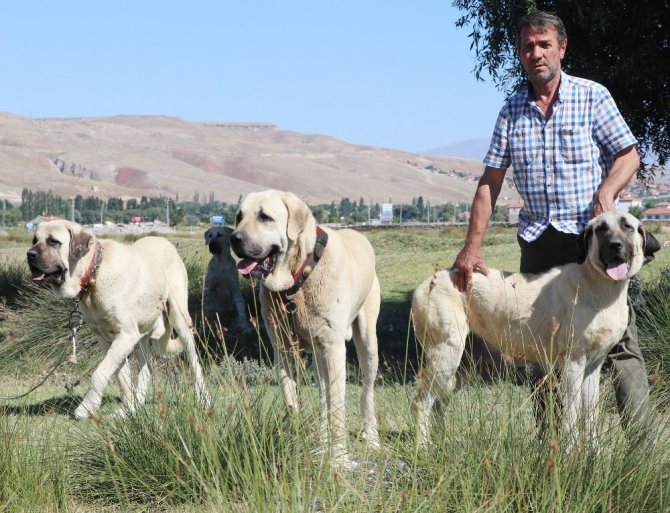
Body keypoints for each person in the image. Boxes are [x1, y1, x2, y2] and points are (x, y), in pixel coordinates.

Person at [452, 11, 651, 435]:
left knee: (618, 343)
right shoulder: (511, 111)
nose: (536, 53)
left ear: (562, 48)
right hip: (539, 245)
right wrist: (472, 247)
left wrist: (605, 195)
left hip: (593, 243)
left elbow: (629, 154)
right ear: (521, 54)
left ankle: (643, 447)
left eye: (544, 44)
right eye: (528, 46)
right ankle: (552, 446)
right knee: (542, 345)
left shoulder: (592, 96)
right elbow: (490, 182)